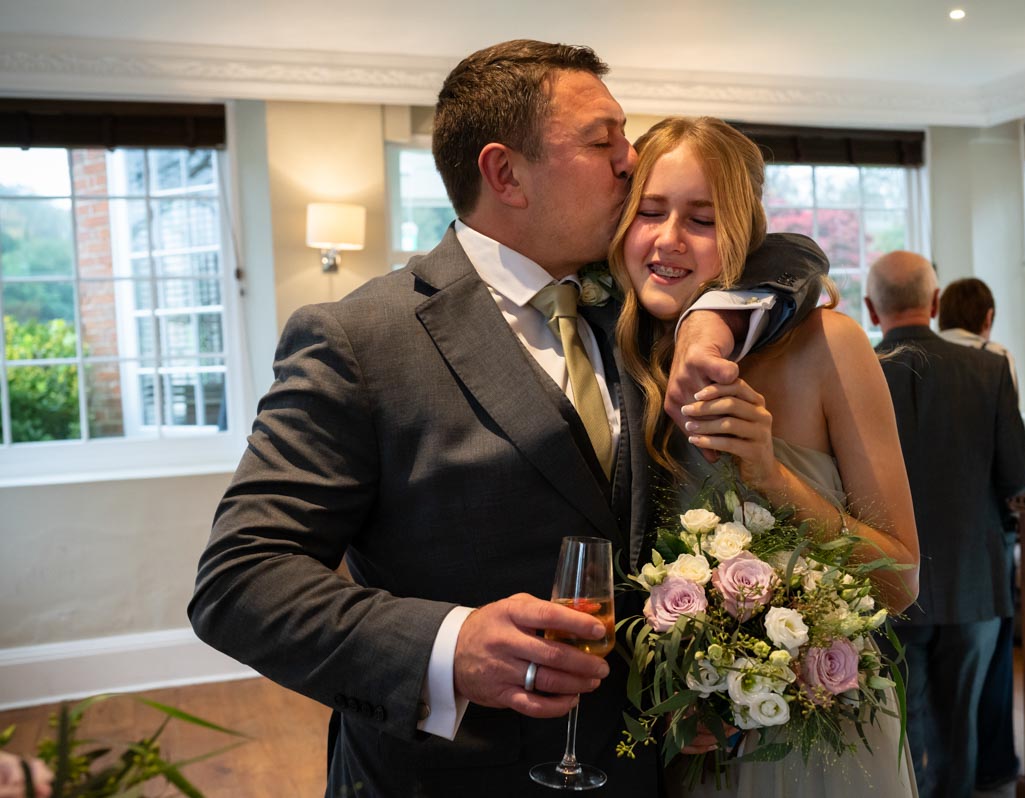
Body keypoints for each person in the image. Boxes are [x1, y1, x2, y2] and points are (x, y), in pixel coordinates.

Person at [189, 41, 810, 797]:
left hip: (648, 770)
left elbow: (787, 252)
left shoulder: (637, 307)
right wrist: (448, 646)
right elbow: (240, 581)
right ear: (505, 173)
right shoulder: (361, 339)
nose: (631, 159)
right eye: (603, 139)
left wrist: (714, 318)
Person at [608, 115, 921, 797]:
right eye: (650, 212)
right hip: (687, 746)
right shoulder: (619, 355)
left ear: (745, 236)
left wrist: (769, 474)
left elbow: (901, 580)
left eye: (702, 219)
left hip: (821, 735)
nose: (668, 239)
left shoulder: (829, 346)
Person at [866, 252, 1025, 798]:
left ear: (872, 309)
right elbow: (1018, 473)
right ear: (936, 304)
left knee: (898, 727)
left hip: (884, 581)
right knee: (959, 723)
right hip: (974, 579)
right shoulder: (988, 369)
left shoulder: (856, 374)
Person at [938, 276, 1022, 790]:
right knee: (988, 661)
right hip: (979, 528)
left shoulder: (908, 357)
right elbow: (1010, 456)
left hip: (929, 529)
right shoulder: (994, 358)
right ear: (987, 317)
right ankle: (991, 769)